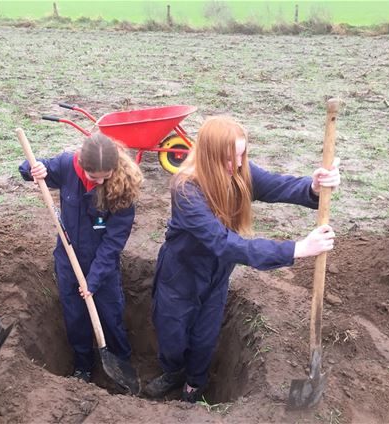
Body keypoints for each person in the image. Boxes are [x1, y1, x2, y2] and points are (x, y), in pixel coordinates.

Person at [146, 116, 341, 403]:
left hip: (217, 275)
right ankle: (173, 371)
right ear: (210, 155)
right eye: (230, 157)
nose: (238, 164)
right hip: (181, 275)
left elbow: (278, 186)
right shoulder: (186, 189)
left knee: (205, 337)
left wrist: (312, 187)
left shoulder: (239, 172)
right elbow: (223, 243)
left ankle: (195, 384)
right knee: (172, 333)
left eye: (242, 154)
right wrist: (295, 249)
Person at [19, 132, 143, 383]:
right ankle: (83, 365)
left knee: (110, 314)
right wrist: (34, 169)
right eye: (92, 177)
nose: (99, 182)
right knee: (75, 317)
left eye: (105, 177)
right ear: (80, 165)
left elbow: (113, 243)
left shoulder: (123, 190)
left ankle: (120, 360)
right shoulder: (66, 165)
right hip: (68, 261)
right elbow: (27, 168)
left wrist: (94, 279)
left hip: (102, 266)